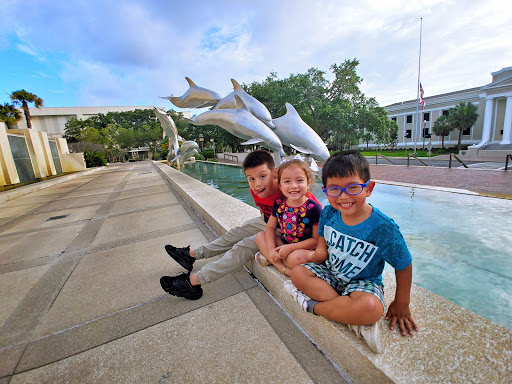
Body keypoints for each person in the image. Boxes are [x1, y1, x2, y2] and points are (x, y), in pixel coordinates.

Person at [284, 150, 418, 353]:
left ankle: (311, 306)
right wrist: (316, 255)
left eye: (353, 188)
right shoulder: (329, 212)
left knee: (372, 309)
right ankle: (348, 315)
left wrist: (401, 302)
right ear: (326, 191)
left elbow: (404, 264)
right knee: (298, 272)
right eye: (334, 190)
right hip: (331, 273)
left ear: (369, 188)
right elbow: (322, 240)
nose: (344, 196)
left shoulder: (383, 228)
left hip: (362, 282)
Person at [255, 159, 322, 276]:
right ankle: (283, 268)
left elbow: (316, 241)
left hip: (303, 250)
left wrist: (290, 248)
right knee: (260, 236)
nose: (293, 186)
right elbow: (270, 228)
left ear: (308, 183)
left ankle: (279, 261)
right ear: (280, 185)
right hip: (283, 243)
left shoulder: (314, 208)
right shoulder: (279, 203)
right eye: (287, 181)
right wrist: (271, 249)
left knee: (293, 259)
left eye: (299, 180)